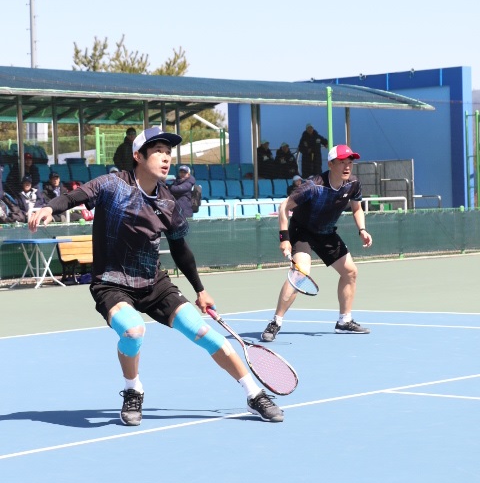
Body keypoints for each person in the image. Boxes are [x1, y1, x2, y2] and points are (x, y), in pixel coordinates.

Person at [29, 126, 284, 425]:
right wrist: (49, 207)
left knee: (204, 333)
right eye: (158, 152)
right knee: (133, 331)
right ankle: (132, 388)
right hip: (112, 282)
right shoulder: (112, 184)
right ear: (138, 156)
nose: (166, 158)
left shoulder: (168, 203)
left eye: (168, 153)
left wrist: (200, 290)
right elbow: (75, 197)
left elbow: (180, 249)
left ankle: (254, 394)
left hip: (153, 282)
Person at [262, 144, 373, 342]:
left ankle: (344, 321)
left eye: (350, 162)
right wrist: (284, 239)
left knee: (350, 272)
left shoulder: (353, 184)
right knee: (300, 274)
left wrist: (362, 230)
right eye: (342, 162)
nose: (347, 166)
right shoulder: (313, 186)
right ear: (330, 164)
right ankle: (275, 323)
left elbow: (357, 208)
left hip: (326, 233)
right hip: (302, 232)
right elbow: (283, 206)